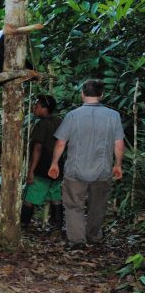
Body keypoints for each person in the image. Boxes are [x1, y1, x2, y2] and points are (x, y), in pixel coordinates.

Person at [48, 80, 125, 250]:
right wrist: (118, 165)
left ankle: (77, 241)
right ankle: (93, 235)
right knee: (98, 204)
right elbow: (119, 144)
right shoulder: (113, 116)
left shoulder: (72, 115)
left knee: (74, 205)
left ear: (82, 94)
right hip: (102, 169)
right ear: (101, 95)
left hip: (76, 170)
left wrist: (54, 163)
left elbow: (61, 142)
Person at [22, 95, 63, 231]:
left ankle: (23, 225)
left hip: (42, 168)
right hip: (57, 168)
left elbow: (38, 148)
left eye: (37, 106)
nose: (35, 108)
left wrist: (31, 170)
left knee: (30, 197)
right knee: (55, 196)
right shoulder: (60, 121)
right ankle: (57, 226)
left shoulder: (42, 124)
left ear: (45, 109)